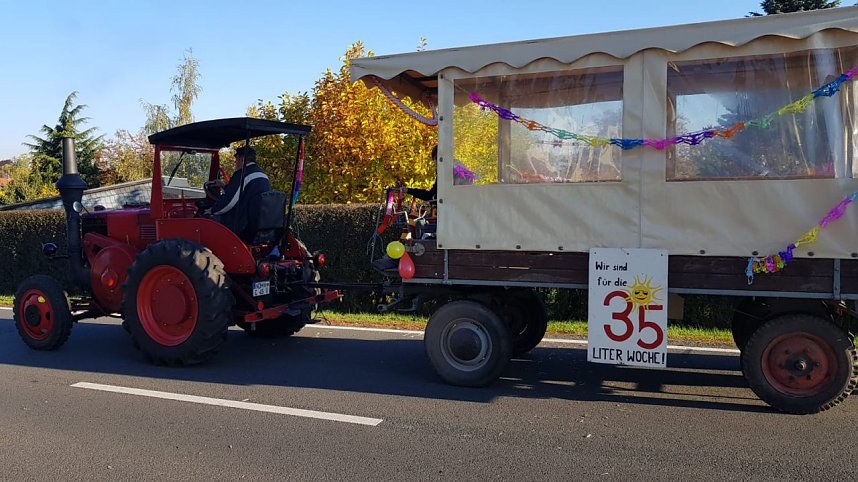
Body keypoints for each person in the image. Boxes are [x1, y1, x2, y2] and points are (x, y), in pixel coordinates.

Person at [208, 145, 271, 237]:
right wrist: (224, 186)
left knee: (207, 219)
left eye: (236, 159)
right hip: (258, 223)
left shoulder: (241, 175)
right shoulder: (263, 175)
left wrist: (212, 210)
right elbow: (245, 193)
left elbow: (229, 202)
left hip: (241, 224)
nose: (235, 162)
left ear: (242, 159)